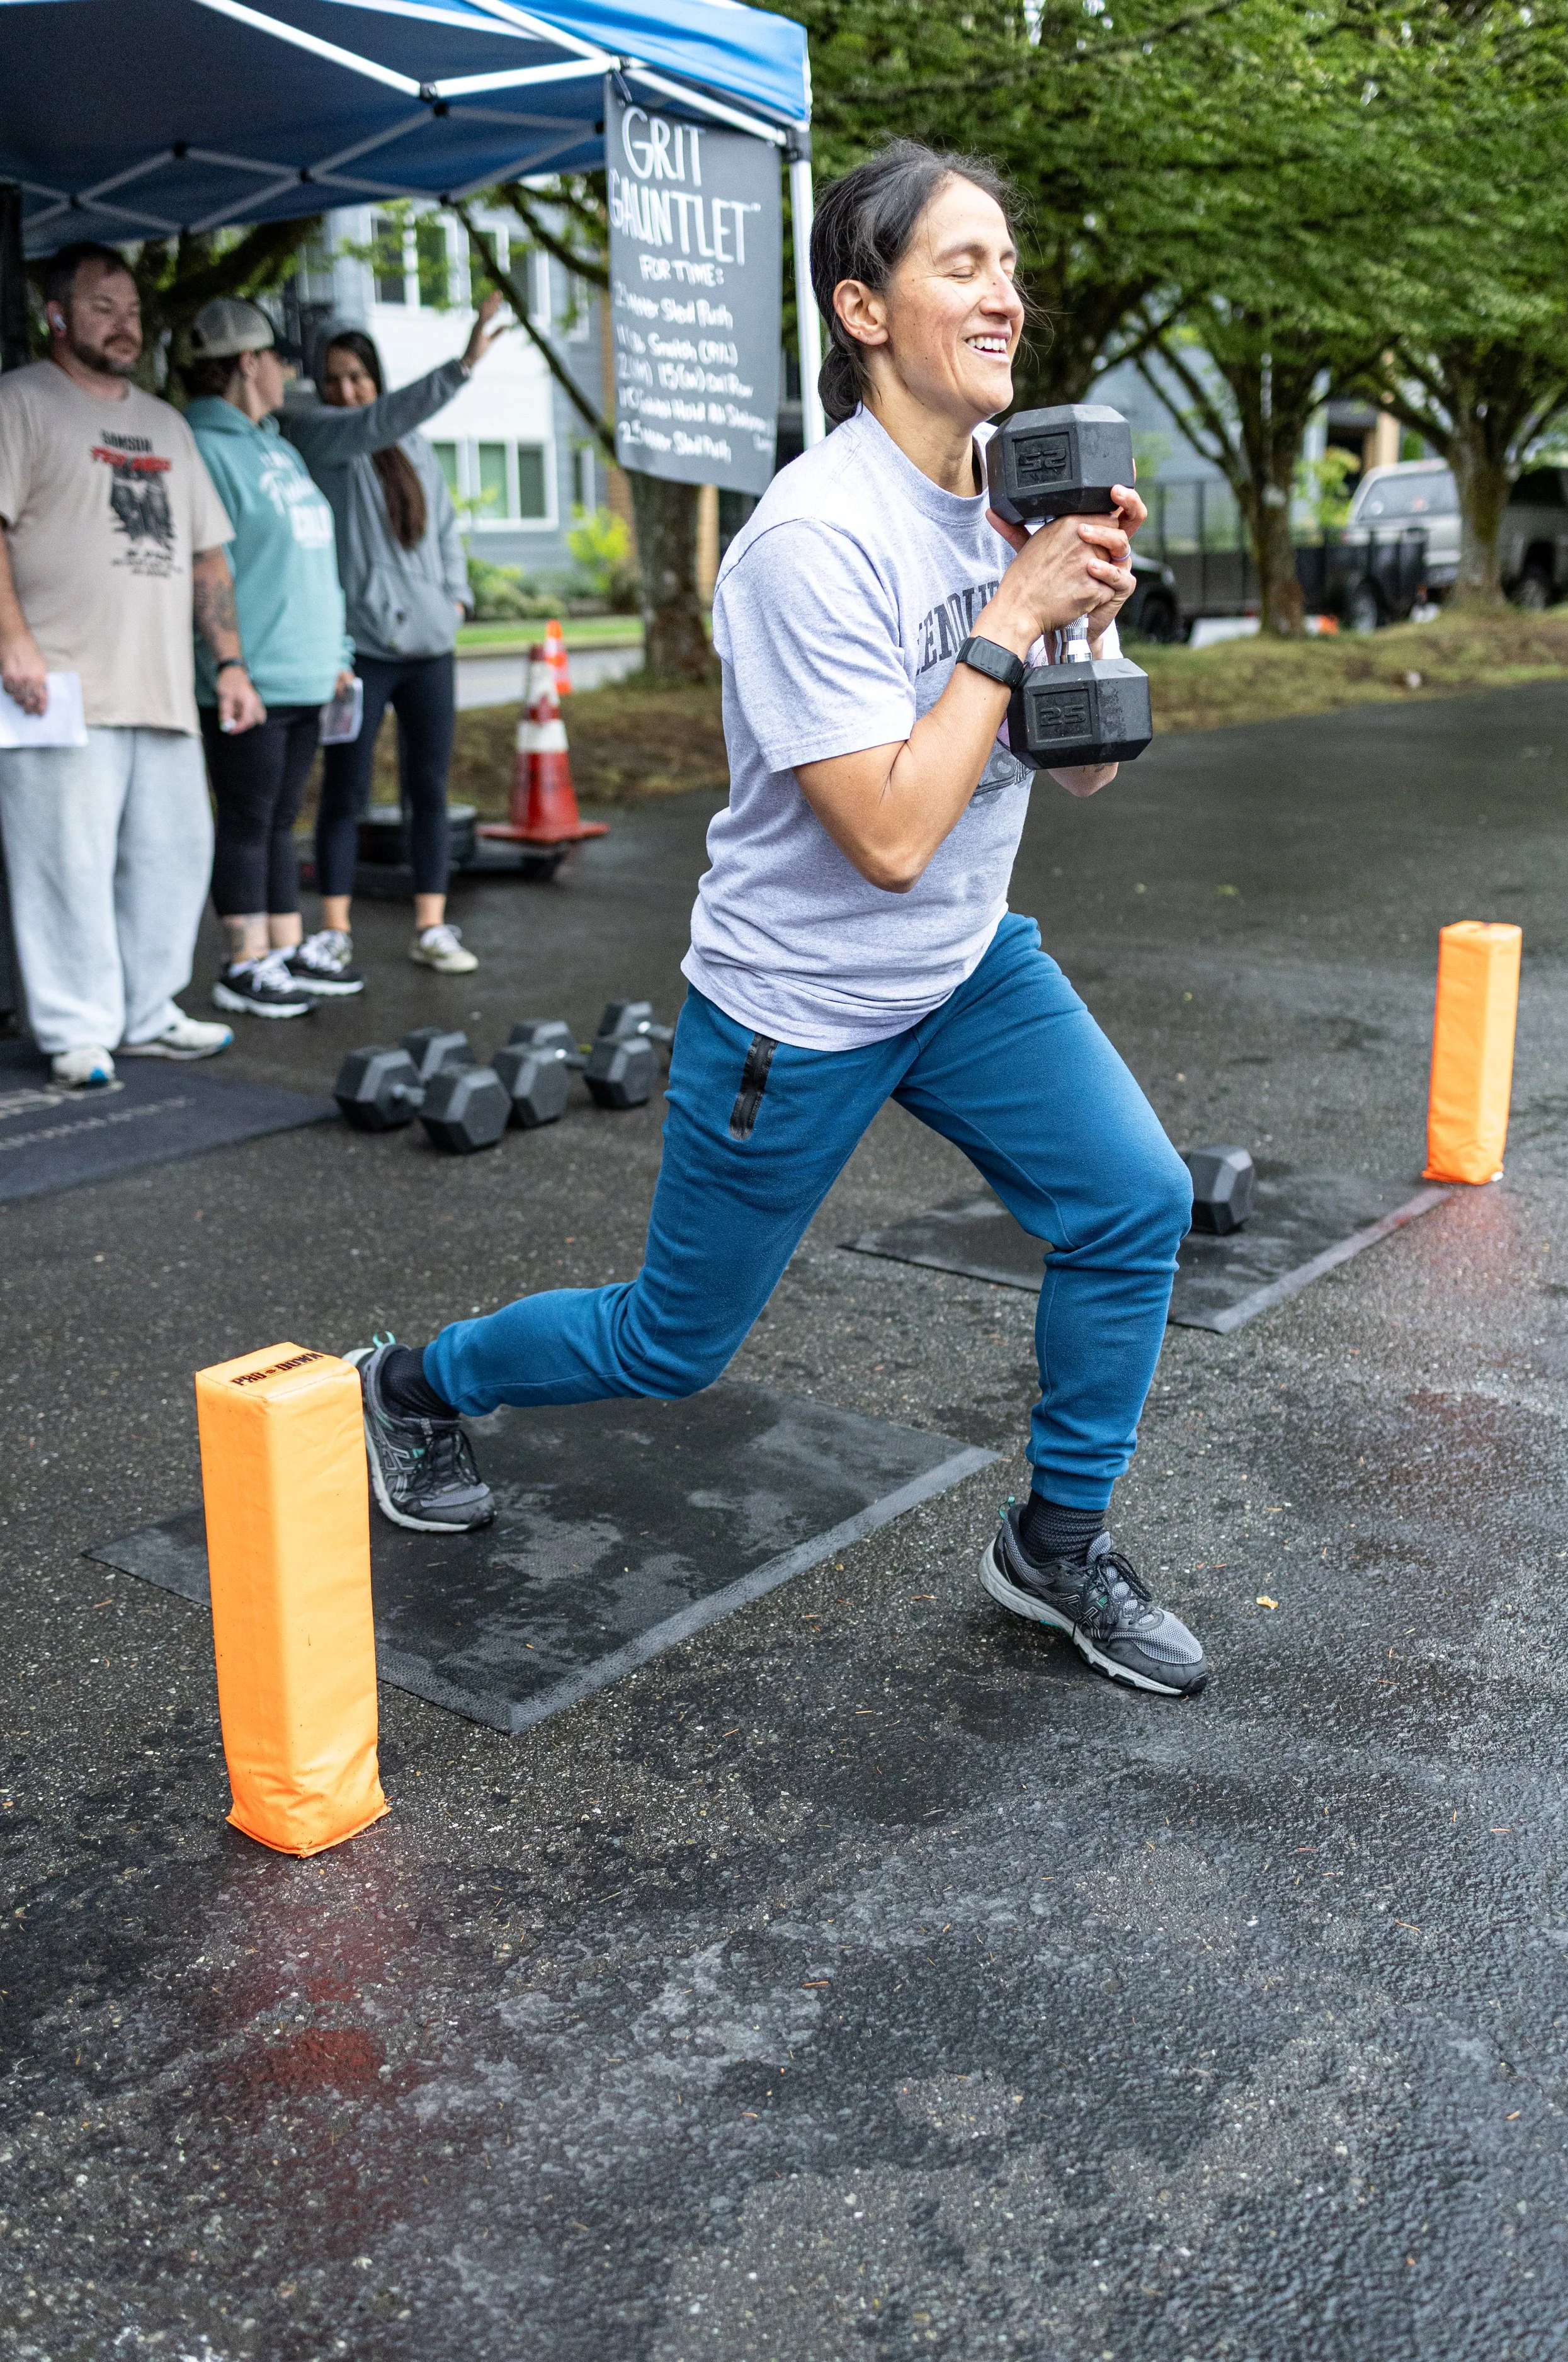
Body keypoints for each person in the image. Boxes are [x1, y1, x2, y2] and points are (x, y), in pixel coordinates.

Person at [348, 143, 1210, 1700]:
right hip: (799, 1002)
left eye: (1010, 265)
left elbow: (1060, 785)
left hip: (960, 967)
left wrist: (1082, 630)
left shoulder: (1010, 498)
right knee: (672, 1345)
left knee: (1133, 1200)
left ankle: (1056, 1540)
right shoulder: (812, 539)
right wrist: (1009, 627)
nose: (1005, 296)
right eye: (964, 265)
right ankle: (413, 1382)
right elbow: (884, 831)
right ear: (861, 307)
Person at [0, 241, 261, 1087]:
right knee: (63, 865)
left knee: (175, 852)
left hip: (161, 687)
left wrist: (229, 663)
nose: (124, 325)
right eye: (103, 307)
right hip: (59, 682)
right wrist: (13, 641)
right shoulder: (21, 403)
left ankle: (148, 1012)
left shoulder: (167, 424)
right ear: (57, 315)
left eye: (133, 311)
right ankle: (77, 1028)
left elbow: (208, 560)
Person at [281, 295, 506, 984]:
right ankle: (337, 929)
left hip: (430, 646)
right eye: (335, 379)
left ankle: (432, 926)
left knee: (428, 788)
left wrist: (456, 597)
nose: (347, 391)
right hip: (363, 649)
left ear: (375, 377)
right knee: (346, 789)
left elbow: (442, 529)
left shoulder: (411, 442)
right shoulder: (323, 434)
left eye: (358, 377)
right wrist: (461, 367)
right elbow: (377, 421)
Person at [183, 298, 361, 1018]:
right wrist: (231, 664)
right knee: (249, 818)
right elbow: (210, 564)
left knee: (281, 816)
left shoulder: (278, 446)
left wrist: (339, 652)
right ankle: (242, 961)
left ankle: (283, 949)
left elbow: (315, 562)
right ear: (248, 362)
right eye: (281, 358)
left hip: (306, 669)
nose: (292, 371)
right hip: (250, 674)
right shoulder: (204, 445)